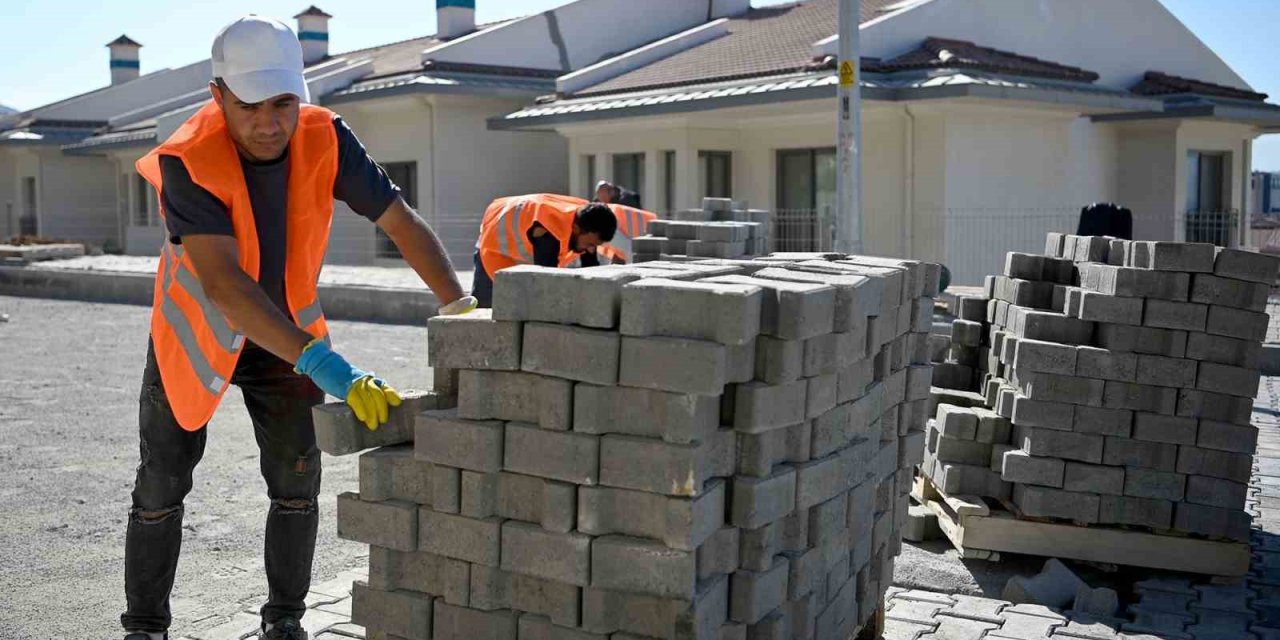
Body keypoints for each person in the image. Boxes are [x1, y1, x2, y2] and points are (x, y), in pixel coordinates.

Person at [121, 15, 474, 640]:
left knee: (295, 485)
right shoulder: (189, 158)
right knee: (161, 487)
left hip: (287, 334)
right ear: (219, 95)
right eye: (250, 105)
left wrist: (459, 306)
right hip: (197, 334)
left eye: (283, 103)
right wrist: (328, 367)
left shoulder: (327, 137)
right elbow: (227, 288)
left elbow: (398, 220)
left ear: (300, 95)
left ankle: (283, 622)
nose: (269, 121)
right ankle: (145, 628)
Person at [470, 193, 618, 308]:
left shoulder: (588, 217)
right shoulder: (548, 231)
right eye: (590, 243)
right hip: (494, 247)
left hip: (521, 240)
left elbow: (590, 269)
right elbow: (546, 283)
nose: (591, 249)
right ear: (576, 228)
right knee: (486, 308)